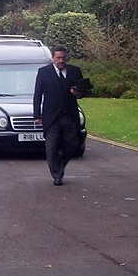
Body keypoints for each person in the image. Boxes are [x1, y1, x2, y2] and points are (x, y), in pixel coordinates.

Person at [33, 45, 87, 186]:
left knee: (71, 145)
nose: (61, 61)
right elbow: (37, 95)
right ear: (53, 58)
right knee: (51, 148)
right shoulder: (43, 72)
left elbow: (83, 91)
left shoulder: (75, 71)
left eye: (63, 58)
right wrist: (37, 115)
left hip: (70, 116)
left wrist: (78, 93)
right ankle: (57, 175)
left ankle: (60, 163)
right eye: (58, 58)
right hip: (51, 118)